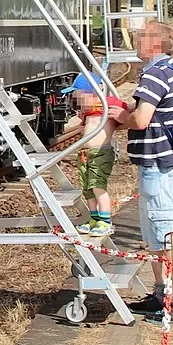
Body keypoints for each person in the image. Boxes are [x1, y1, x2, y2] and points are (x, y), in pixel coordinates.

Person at [108, 21, 173, 326]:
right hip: (161, 166)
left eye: (140, 36)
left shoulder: (154, 74)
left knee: (166, 237)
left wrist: (122, 116)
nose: (135, 39)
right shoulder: (167, 70)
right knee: (157, 237)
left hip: (158, 168)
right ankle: (162, 295)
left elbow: (142, 119)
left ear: (154, 44)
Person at [66, 73, 127, 236]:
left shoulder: (108, 106)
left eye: (79, 97)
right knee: (87, 189)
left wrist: (123, 115)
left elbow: (127, 111)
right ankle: (94, 218)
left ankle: (105, 221)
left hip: (100, 153)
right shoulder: (87, 113)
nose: (77, 103)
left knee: (98, 186)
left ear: (95, 93)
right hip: (85, 154)